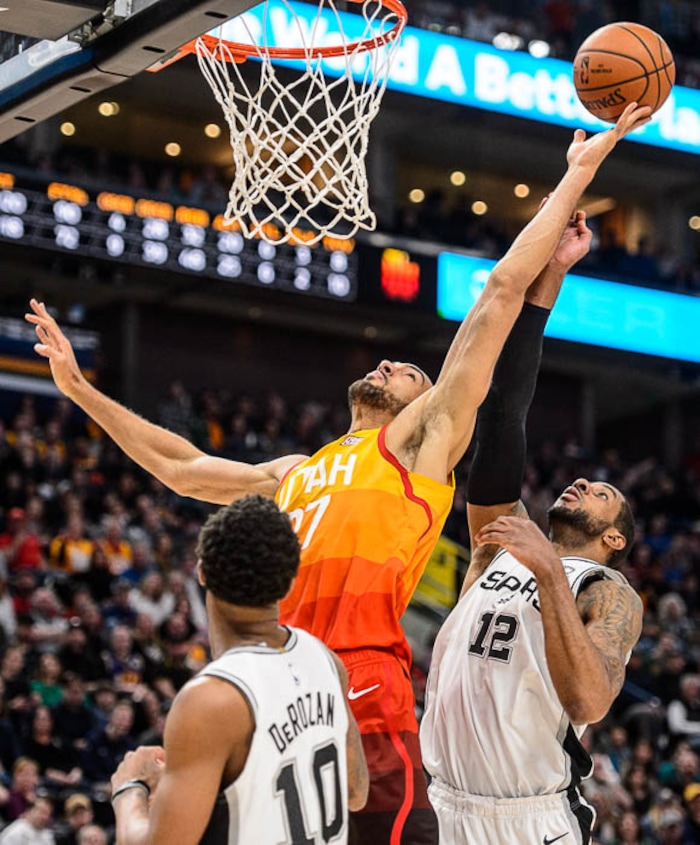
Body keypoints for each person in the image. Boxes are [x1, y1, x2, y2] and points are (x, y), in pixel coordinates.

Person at [27, 102, 651, 844]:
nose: (388, 362)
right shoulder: (297, 469)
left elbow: (497, 297)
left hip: (364, 685)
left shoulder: (419, 449)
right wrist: (80, 390)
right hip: (278, 679)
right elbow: (182, 466)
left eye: (410, 371)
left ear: (430, 405)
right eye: (390, 362)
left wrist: (577, 175)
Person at [419, 208, 644, 843]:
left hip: (528, 820)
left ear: (614, 539)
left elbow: (591, 701)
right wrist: (551, 278)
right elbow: (504, 416)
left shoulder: (608, 591)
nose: (582, 485)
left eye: (601, 493)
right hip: (444, 806)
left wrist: (548, 568)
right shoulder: (503, 541)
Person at [110, 495, 368, 844]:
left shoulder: (209, 701)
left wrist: (130, 787)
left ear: (202, 571)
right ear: (291, 579)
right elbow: (356, 792)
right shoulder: (324, 659)